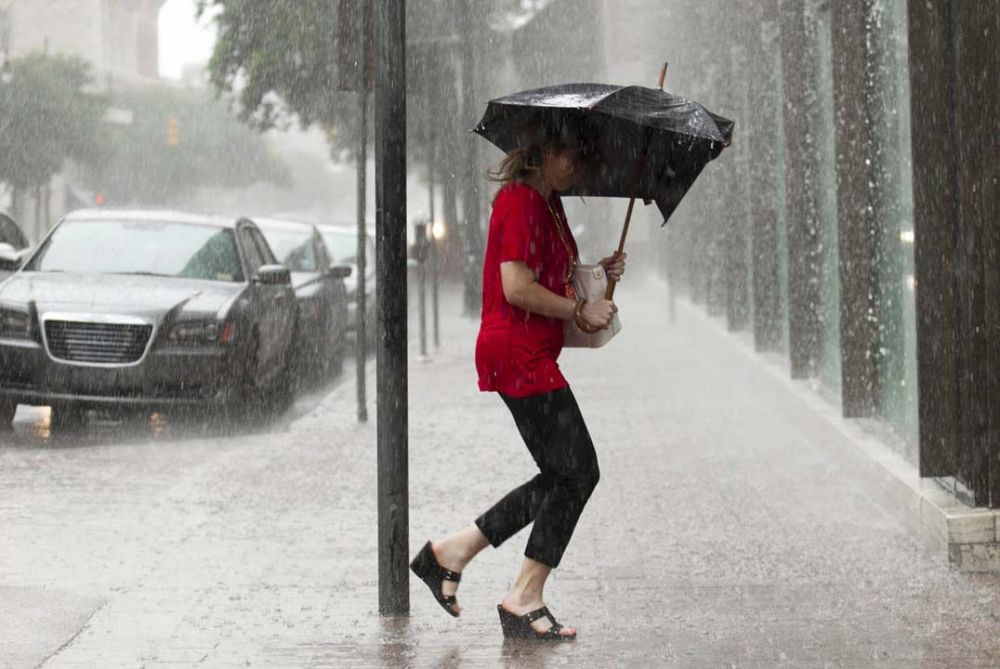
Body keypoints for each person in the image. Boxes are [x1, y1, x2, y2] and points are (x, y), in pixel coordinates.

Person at [410, 123, 626, 641]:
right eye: (575, 154)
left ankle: (451, 554)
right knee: (579, 472)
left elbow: (554, 275)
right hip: (517, 353)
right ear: (547, 152)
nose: (580, 165)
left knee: (561, 475)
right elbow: (516, 287)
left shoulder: (548, 204)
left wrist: (601, 273)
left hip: (530, 353)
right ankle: (522, 595)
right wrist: (579, 308)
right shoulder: (520, 202)